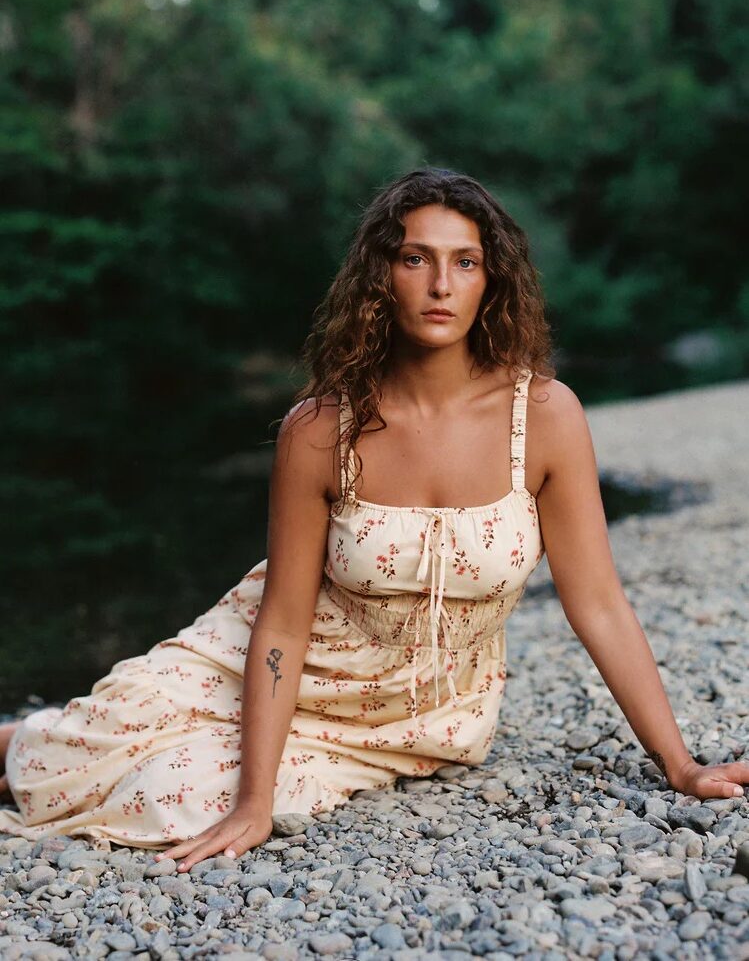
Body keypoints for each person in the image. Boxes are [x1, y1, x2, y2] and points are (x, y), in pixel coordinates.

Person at [1, 167, 746, 873]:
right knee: (95, 733)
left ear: (492, 282)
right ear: (379, 276)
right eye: (415, 258)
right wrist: (257, 800)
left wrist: (677, 765)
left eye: (465, 263)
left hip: (416, 715)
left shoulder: (544, 416)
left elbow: (598, 603)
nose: (439, 285)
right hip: (258, 657)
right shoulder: (321, 428)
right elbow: (284, 622)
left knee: (178, 795)